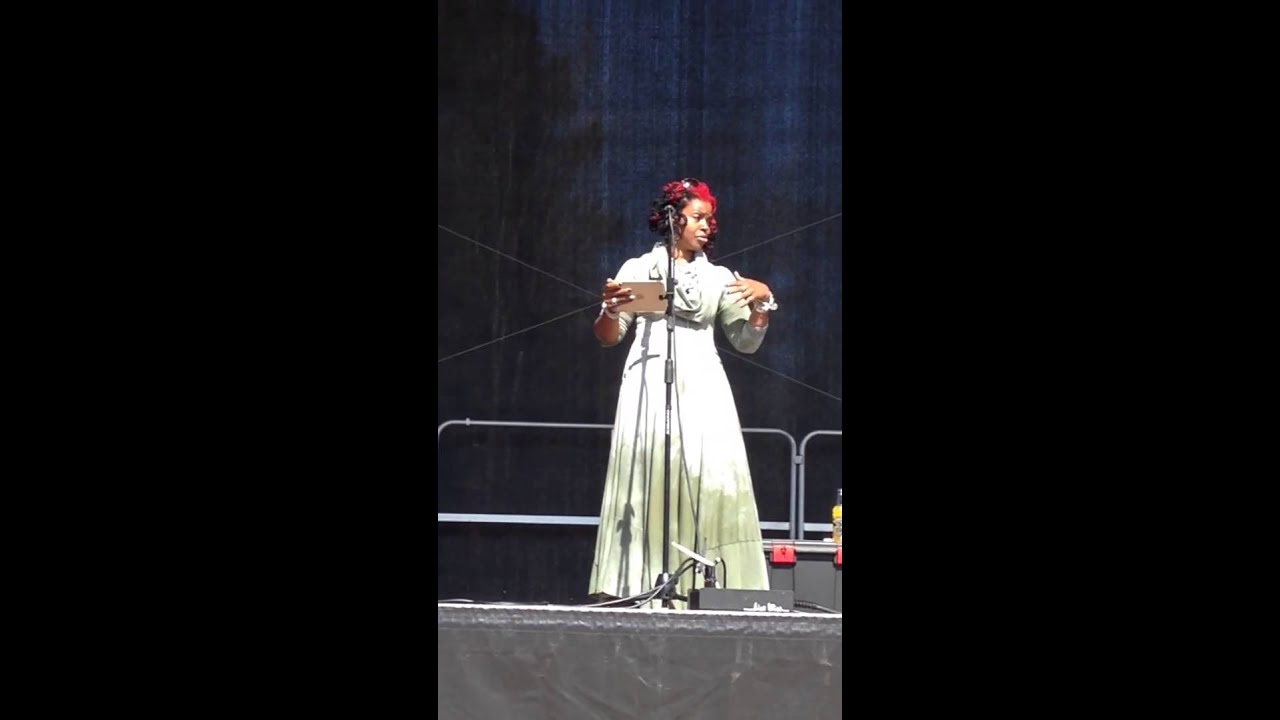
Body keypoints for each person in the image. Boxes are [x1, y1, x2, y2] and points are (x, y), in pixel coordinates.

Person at [588, 177, 778, 606]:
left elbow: (745, 342)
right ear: (673, 220)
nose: (706, 226)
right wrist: (609, 308)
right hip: (649, 381)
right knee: (649, 473)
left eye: (709, 219)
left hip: (704, 384)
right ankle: (636, 586)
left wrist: (761, 304)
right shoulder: (641, 270)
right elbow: (608, 336)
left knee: (709, 477)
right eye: (697, 218)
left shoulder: (720, 279)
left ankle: (712, 587)